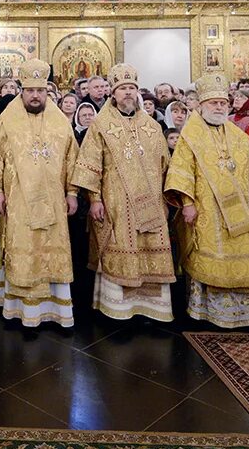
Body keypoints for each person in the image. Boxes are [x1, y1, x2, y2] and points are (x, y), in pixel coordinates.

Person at [0, 58, 79, 327]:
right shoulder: (7, 119)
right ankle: (21, 310)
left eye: (40, 91)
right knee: (22, 250)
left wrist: (73, 193)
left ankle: (56, 311)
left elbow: (72, 160)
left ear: (47, 91)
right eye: (30, 90)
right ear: (22, 91)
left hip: (54, 201)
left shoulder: (60, 121)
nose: (35, 96)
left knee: (51, 252)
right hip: (17, 200)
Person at [164, 73, 249, 328]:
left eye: (222, 103)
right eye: (213, 103)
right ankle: (207, 311)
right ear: (202, 106)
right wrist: (187, 204)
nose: (218, 107)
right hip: (207, 210)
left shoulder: (239, 136)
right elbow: (182, 171)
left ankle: (241, 311)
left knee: (240, 255)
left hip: (239, 211)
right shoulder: (190, 136)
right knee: (209, 256)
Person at [73, 63, 175, 322]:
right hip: (116, 204)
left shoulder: (152, 127)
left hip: (152, 205)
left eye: (131, 88)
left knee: (149, 250)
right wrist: (94, 199)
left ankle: (151, 309)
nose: (127, 93)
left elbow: (166, 166)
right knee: (118, 248)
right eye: (122, 89)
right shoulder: (101, 126)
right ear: (113, 94)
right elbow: (89, 164)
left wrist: (166, 200)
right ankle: (118, 308)